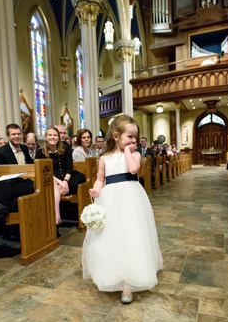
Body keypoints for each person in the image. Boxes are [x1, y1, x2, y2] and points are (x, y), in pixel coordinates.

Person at [83, 115, 163, 304]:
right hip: (110, 198)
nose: (134, 141)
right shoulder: (104, 158)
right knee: (112, 235)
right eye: (130, 137)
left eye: (135, 137)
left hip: (131, 197)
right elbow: (100, 178)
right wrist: (96, 189)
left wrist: (127, 150)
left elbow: (134, 169)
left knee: (131, 233)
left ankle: (128, 282)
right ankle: (111, 271)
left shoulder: (134, 154)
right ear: (116, 136)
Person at [37, 126, 87, 224]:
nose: (53, 137)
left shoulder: (66, 149)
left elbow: (69, 167)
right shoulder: (40, 152)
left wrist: (65, 181)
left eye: (55, 135)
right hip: (50, 178)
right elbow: (44, 171)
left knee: (81, 178)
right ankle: (57, 215)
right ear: (45, 137)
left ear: (58, 137)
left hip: (66, 178)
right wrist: (60, 182)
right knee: (53, 185)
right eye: (50, 135)